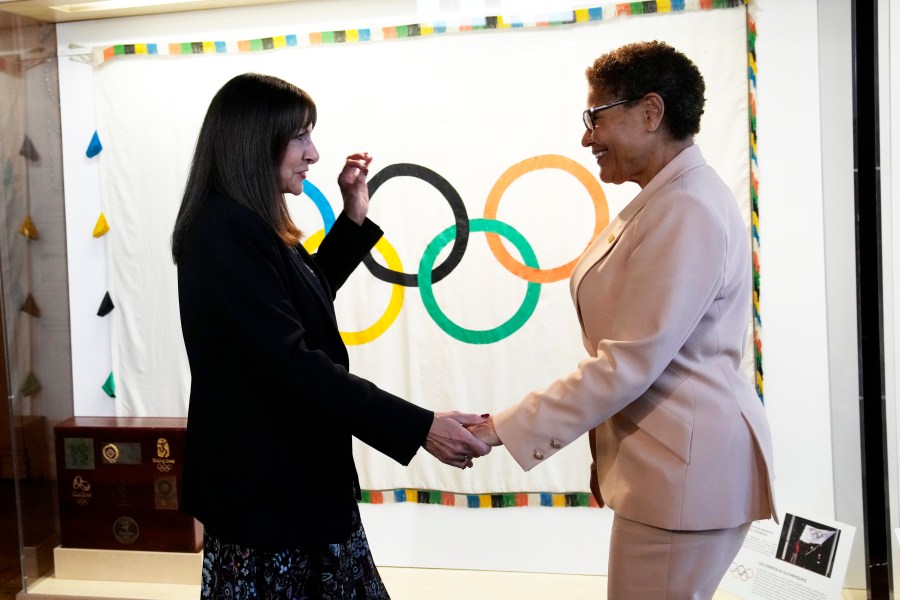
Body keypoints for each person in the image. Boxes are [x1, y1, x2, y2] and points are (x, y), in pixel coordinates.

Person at [468, 41, 777, 599]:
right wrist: (610, 454)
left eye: (596, 117)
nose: (587, 137)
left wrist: (502, 427)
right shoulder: (667, 199)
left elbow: (627, 361)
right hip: (669, 465)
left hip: (683, 474)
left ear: (651, 112)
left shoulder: (685, 207)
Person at [171, 73, 490, 599]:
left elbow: (304, 297)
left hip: (294, 487)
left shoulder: (249, 220)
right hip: (269, 498)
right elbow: (291, 360)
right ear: (256, 141)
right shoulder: (223, 228)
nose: (314, 153)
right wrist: (419, 426)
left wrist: (353, 217)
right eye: (299, 136)